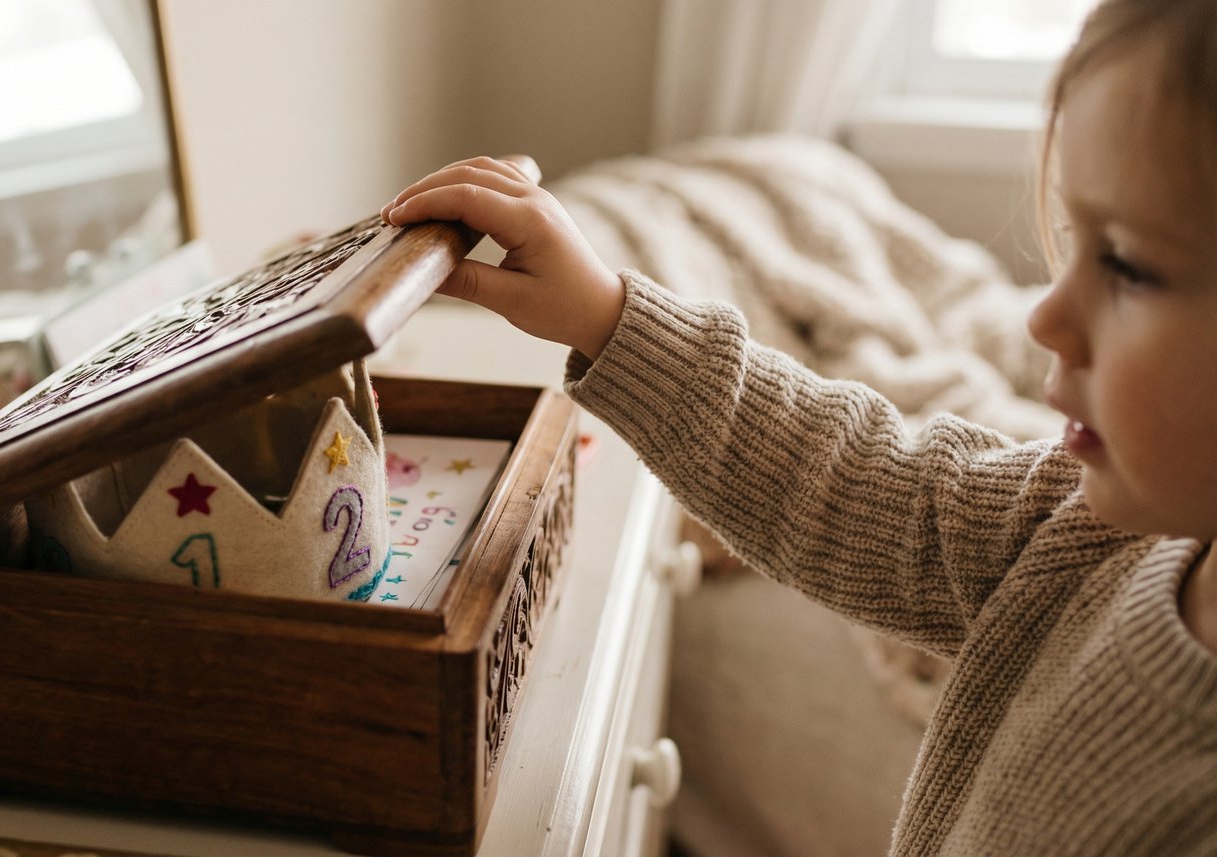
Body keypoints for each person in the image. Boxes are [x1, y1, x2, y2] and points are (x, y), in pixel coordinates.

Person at [381, 0, 1217, 853]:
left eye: (1130, 267)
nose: (1046, 317)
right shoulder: (1081, 531)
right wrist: (608, 314)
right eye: (1072, 242)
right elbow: (857, 485)